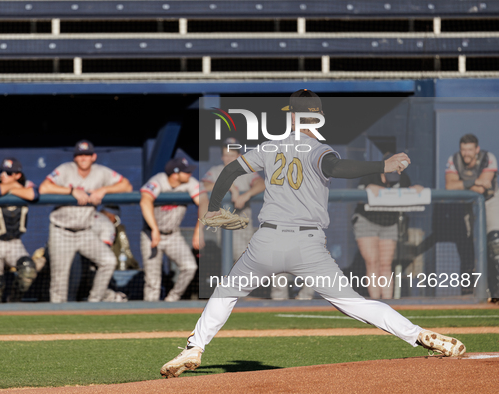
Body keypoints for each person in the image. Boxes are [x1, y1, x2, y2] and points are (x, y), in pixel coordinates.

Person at [161, 89, 465, 378]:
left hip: (266, 241)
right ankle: (418, 334)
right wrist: (382, 164)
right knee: (354, 303)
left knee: (225, 292)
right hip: (307, 245)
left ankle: (194, 348)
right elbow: (337, 167)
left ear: (292, 117)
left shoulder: (270, 146)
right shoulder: (319, 149)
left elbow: (229, 172)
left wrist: (213, 208)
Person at [39, 140, 132, 303]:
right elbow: (44, 188)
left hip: (84, 232)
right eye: (80, 155)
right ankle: (56, 321)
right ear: (75, 157)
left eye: (87, 155)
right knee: (59, 282)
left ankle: (94, 302)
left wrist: (104, 189)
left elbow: (126, 186)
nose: (84, 158)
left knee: (108, 261)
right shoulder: (66, 170)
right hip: (62, 231)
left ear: (93, 157)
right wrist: (71, 191)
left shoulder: (101, 172)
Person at [352, 155, 424, 299]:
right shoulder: (370, 176)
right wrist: (368, 188)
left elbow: (409, 192)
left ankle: (387, 303)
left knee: (385, 265)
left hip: (389, 223)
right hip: (367, 221)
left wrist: (415, 189)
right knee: (372, 262)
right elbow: (359, 195)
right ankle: (375, 302)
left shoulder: (402, 178)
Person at [445, 134, 499, 301]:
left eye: (470, 149)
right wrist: (475, 182)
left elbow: (485, 186)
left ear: (476, 149)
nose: (466, 153)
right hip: (470, 207)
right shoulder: (454, 159)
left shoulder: (488, 157)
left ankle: (496, 292)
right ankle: (477, 294)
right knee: (474, 250)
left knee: (495, 246)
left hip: (490, 202)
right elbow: (449, 186)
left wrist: (464, 183)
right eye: (463, 149)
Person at [140, 157, 201, 302]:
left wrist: (198, 231)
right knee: (153, 281)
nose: (189, 174)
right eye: (185, 172)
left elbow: (204, 205)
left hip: (173, 234)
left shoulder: (190, 183)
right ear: (175, 174)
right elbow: (145, 200)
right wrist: (154, 229)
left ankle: (172, 299)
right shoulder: (158, 181)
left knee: (190, 267)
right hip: (151, 234)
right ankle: (150, 314)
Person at [0, 158, 39, 303]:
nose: (3, 175)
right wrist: (15, 188)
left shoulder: (27, 184)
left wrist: (11, 188)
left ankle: (14, 301)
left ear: (17, 175)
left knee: (28, 268)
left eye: (8, 173)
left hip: (14, 242)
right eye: (2, 171)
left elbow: (34, 194)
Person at [202, 137, 265, 260]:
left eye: (232, 155)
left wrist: (247, 194)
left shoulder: (246, 171)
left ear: (239, 156)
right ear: (222, 157)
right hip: (224, 229)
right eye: (226, 155)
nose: (229, 158)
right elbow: (204, 185)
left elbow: (261, 183)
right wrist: (230, 187)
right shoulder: (215, 171)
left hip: (245, 227)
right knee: (244, 261)